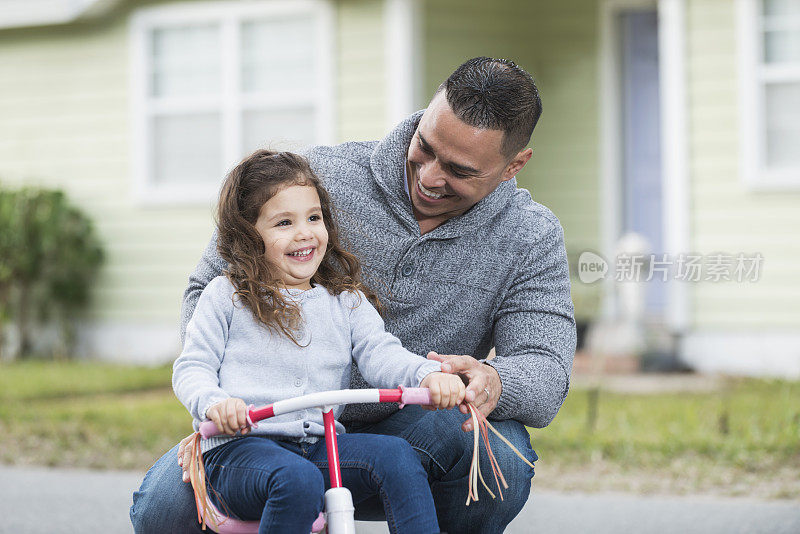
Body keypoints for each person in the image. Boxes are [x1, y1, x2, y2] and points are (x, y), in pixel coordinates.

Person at [131, 57, 576, 534]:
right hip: (263, 426)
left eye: (459, 170)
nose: (428, 176)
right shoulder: (314, 181)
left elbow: (545, 366)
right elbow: (207, 289)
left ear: (514, 165)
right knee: (163, 510)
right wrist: (223, 397)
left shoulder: (529, 235)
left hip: (406, 426)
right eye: (424, 147)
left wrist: (488, 378)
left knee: (499, 457)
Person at [173, 150, 464, 534]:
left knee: (395, 456)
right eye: (283, 223)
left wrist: (427, 374)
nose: (305, 232)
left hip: (318, 446)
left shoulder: (345, 301)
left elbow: (382, 353)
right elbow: (192, 368)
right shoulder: (226, 296)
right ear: (248, 234)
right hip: (238, 452)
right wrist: (215, 404)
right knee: (297, 479)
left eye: (313, 217)